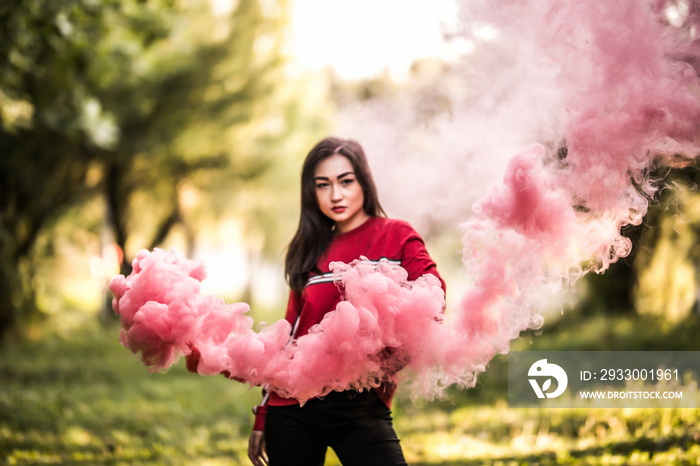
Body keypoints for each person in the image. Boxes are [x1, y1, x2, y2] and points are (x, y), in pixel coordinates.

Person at [246, 137, 445, 466]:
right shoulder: (307, 250)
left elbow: (433, 294)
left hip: (361, 405)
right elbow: (290, 336)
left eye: (346, 181)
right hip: (292, 408)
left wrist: (393, 356)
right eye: (323, 185)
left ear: (364, 182)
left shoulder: (396, 235)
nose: (335, 195)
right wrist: (263, 415)